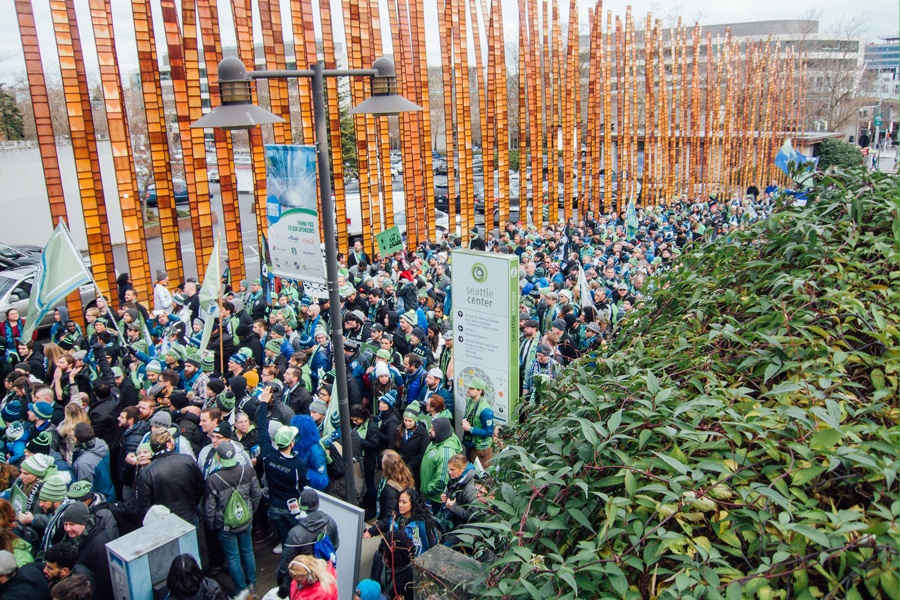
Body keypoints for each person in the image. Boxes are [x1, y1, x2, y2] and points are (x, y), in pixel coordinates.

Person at [203, 441, 261, 595]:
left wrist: (211, 526)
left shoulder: (213, 479)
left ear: (219, 458)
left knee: (233, 558)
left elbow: (209, 507)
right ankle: (252, 586)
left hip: (226, 526)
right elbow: (256, 494)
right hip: (246, 521)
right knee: (248, 553)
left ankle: (240, 591)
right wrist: (251, 511)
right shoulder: (247, 471)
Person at [136, 429, 205, 524]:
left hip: (165, 524)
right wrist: (191, 505)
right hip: (189, 517)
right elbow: (200, 487)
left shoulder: (147, 472)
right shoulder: (187, 460)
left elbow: (145, 507)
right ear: (168, 444)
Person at [275, 488, 339, 587]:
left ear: (300, 505)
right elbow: (335, 545)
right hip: (324, 575)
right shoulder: (331, 522)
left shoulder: (295, 534)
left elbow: (285, 565)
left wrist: (280, 582)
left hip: (302, 581)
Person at [59, 501, 115, 599]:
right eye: (65, 524)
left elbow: (104, 583)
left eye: (72, 524)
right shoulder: (75, 537)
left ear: (83, 523)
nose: (67, 529)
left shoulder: (99, 545)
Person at [364, 450, 415, 539]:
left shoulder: (391, 490)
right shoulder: (405, 477)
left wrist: (372, 530)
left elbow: (390, 516)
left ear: (386, 467)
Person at [419, 417, 462, 508]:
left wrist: (429, 490)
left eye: (433, 429)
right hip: (428, 495)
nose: (429, 431)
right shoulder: (437, 440)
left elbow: (442, 479)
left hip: (434, 499)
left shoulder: (446, 452)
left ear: (441, 431)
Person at [393, 403, 429, 489]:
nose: (407, 423)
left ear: (415, 420)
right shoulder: (399, 429)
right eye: (405, 420)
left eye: (410, 421)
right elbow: (393, 447)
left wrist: (408, 466)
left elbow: (422, 454)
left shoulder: (422, 433)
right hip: (399, 467)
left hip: (414, 470)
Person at [460, 377, 494, 467]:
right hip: (470, 445)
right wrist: (463, 420)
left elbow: (489, 432)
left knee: (481, 477)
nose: (468, 390)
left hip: (481, 449)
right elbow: (467, 415)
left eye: (471, 388)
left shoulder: (485, 410)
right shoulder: (469, 401)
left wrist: (470, 429)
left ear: (479, 391)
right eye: (468, 388)